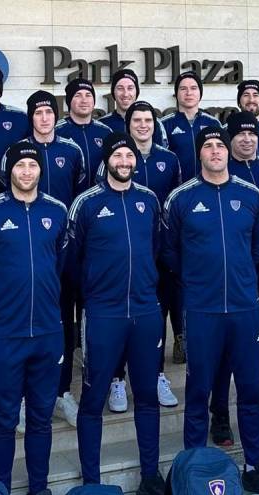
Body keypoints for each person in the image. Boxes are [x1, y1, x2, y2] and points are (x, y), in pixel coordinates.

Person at [162, 127, 259, 494]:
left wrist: (240, 277)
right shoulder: (181, 198)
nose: (216, 150)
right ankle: (194, 466)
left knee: (250, 390)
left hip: (244, 308)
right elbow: (170, 250)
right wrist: (196, 279)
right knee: (198, 391)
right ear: (200, 154)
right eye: (208, 146)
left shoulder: (250, 195)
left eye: (220, 145)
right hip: (202, 310)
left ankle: (253, 463)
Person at [0, 143, 69, 495]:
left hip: (48, 331)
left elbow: (60, 263)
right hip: (7, 333)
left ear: (40, 170)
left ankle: (38, 494)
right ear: (9, 170)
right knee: (4, 417)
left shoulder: (57, 211)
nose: (27, 171)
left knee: (41, 418)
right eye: (20, 165)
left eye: (33, 165)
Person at [69, 133, 166, 495]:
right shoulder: (87, 203)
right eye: (117, 155)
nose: (124, 161)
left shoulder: (149, 200)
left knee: (147, 396)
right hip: (103, 313)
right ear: (106, 160)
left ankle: (150, 475)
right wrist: (94, 292)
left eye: (129, 155)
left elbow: (155, 249)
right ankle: (91, 482)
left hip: (145, 311)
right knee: (93, 398)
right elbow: (72, 260)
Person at [93, 101, 182, 408]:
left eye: (148, 120)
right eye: (137, 120)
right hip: (119, 259)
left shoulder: (169, 159)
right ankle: (117, 380)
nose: (143, 125)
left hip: (155, 254)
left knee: (155, 318)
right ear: (127, 125)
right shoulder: (113, 159)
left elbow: (173, 204)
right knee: (121, 319)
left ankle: (157, 374)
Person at [207, 111, 259, 445]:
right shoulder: (223, 171)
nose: (247, 139)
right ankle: (220, 416)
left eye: (252, 134)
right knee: (225, 350)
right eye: (240, 134)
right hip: (234, 277)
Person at [11, 90, 84, 427]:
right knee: (26, 324)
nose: (44, 118)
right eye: (38, 113)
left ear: (56, 116)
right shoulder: (17, 152)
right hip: (27, 253)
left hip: (62, 250)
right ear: (31, 117)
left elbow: (80, 196)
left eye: (49, 112)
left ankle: (61, 392)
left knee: (63, 323)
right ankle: (24, 395)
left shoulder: (71, 150)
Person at [160, 71, 221, 184]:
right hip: (176, 187)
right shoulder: (164, 124)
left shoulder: (213, 123)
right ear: (176, 94)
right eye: (183, 89)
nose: (189, 93)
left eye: (193, 88)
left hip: (209, 186)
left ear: (200, 93)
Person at [55, 77, 112, 192]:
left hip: (100, 199)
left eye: (88, 95)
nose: (84, 100)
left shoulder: (105, 132)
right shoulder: (56, 131)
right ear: (69, 101)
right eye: (78, 95)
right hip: (67, 198)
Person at [98, 69, 168, 147]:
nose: (125, 94)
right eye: (120, 88)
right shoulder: (102, 125)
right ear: (113, 92)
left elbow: (161, 152)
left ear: (136, 91)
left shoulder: (154, 123)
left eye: (130, 88)